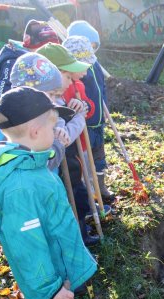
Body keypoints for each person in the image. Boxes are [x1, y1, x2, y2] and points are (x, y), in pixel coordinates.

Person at [0, 86, 97, 299]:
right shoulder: (21, 187)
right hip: (50, 285)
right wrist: (51, 289)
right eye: (52, 127)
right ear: (35, 132)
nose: (56, 133)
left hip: (57, 269)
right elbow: (26, 246)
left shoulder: (31, 163)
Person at [36, 43, 110, 245]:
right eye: (68, 76)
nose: (71, 81)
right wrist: (80, 116)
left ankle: (81, 233)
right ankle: (78, 238)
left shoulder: (58, 95)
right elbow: (65, 135)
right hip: (59, 165)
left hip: (70, 158)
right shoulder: (47, 103)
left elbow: (87, 107)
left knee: (78, 193)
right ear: (53, 72)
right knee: (72, 197)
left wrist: (83, 106)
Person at [0, 20, 60, 148]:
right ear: (31, 44)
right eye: (43, 47)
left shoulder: (38, 62)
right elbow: (4, 99)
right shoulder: (13, 62)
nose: (46, 52)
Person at [64, 21, 115, 202]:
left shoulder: (94, 64)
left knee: (99, 157)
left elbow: (100, 89)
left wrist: (102, 108)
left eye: (94, 47)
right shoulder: (73, 76)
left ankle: (100, 188)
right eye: (90, 46)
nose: (92, 50)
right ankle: (89, 192)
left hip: (98, 120)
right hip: (84, 125)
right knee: (86, 158)